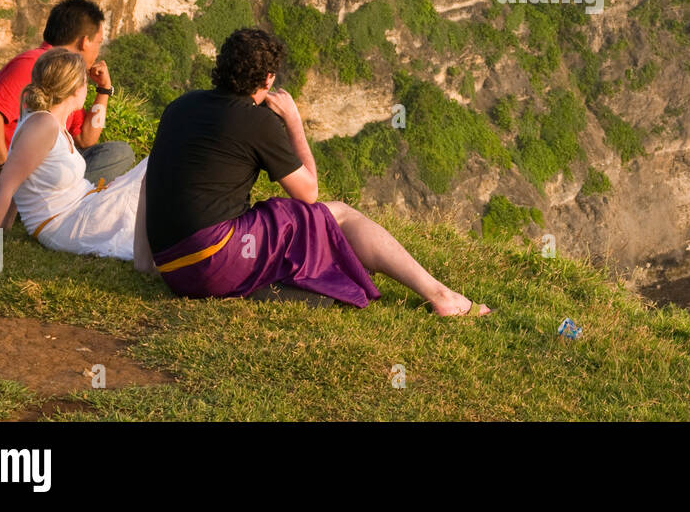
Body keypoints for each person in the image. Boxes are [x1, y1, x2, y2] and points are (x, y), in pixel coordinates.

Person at [140, 27, 490, 317]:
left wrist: (146, 260)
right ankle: (439, 294)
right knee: (337, 215)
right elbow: (308, 194)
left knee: (276, 216)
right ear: (269, 78)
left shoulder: (180, 106)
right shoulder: (255, 120)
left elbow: (152, 179)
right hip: (211, 262)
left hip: (172, 268)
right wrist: (294, 122)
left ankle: (304, 282)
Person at [0, 48, 152, 262]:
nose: (87, 88)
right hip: (68, 223)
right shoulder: (42, 125)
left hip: (85, 205)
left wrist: (6, 223)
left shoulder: (54, 123)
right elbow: (7, 184)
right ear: (76, 89)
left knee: (156, 166)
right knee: (160, 164)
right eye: (86, 83)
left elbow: (23, 177)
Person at [0, 0, 136, 208]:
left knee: (118, 153)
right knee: (117, 162)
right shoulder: (33, 63)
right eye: (98, 42)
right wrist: (7, 172)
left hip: (37, 171)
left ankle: (75, 196)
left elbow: (85, 138)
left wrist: (103, 90)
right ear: (84, 41)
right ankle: (74, 198)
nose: (98, 51)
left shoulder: (64, 71)